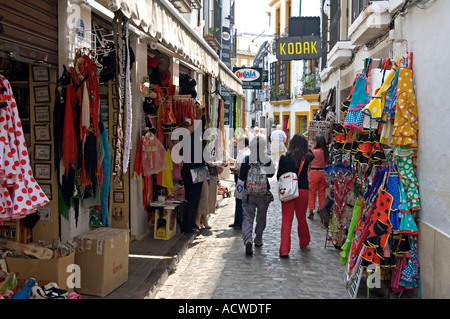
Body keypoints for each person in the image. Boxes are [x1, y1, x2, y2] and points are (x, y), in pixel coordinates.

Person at [276, 133, 314, 258]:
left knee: (286, 220)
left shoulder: (284, 158)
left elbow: (279, 176)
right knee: (301, 217)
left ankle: (284, 250)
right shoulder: (307, 157)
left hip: (287, 190)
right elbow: (312, 153)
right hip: (302, 190)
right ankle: (304, 241)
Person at [239, 136, 275, 256]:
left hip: (249, 194)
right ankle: (258, 239)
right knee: (261, 218)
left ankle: (248, 239)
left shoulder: (247, 159)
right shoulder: (267, 160)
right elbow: (271, 174)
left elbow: (242, 177)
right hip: (263, 194)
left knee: (248, 217)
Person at [229, 135, 250, 230]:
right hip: (239, 177)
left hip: (242, 178)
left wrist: (235, 170)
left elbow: (243, 167)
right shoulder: (242, 152)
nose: (236, 143)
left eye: (238, 142)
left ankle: (240, 221)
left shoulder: (246, 153)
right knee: (238, 199)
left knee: (241, 199)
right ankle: (237, 221)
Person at [308, 134, 329, 220]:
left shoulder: (314, 152)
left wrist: (312, 148)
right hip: (323, 173)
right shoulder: (325, 152)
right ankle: (322, 210)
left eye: (315, 142)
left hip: (314, 172)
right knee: (322, 193)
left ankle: (311, 211)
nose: (314, 143)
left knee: (312, 193)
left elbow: (309, 160)